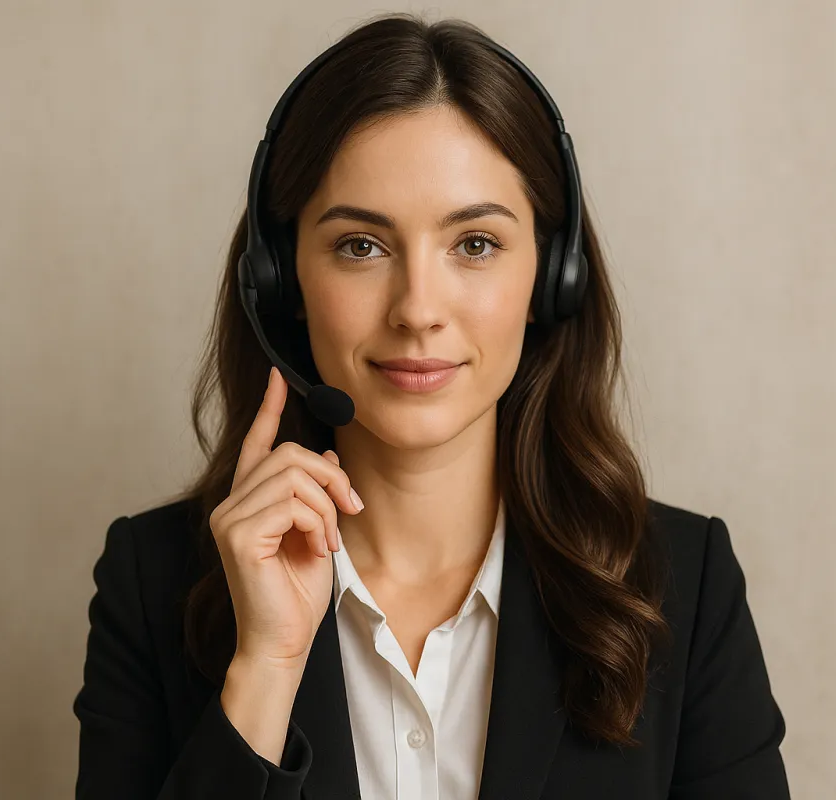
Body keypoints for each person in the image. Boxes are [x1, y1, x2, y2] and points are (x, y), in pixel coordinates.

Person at [72, 12, 790, 800]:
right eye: (360, 246)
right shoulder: (153, 584)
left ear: (553, 280)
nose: (418, 309)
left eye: (475, 244)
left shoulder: (682, 587)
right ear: (281, 282)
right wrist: (265, 673)